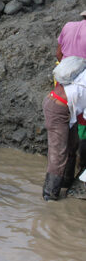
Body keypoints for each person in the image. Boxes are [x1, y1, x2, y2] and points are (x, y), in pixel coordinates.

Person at [42, 67, 86, 201]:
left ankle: (67, 183)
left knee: (72, 145)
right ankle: (50, 195)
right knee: (59, 152)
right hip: (57, 107)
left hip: (69, 109)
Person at [55, 10, 86, 174]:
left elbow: (58, 53)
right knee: (83, 126)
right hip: (82, 88)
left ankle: (65, 178)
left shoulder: (68, 26)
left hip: (63, 84)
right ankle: (81, 171)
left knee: (66, 128)